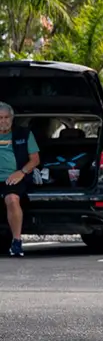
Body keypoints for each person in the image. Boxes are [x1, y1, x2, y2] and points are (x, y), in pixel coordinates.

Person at [0, 101, 40, 257]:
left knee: (12, 199)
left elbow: (35, 159)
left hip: (15, 177)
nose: (3, 121)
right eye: (0, 118)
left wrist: (21, 172)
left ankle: (16, 242)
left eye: (6, 117)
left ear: (12, 118)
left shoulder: (24, 134)